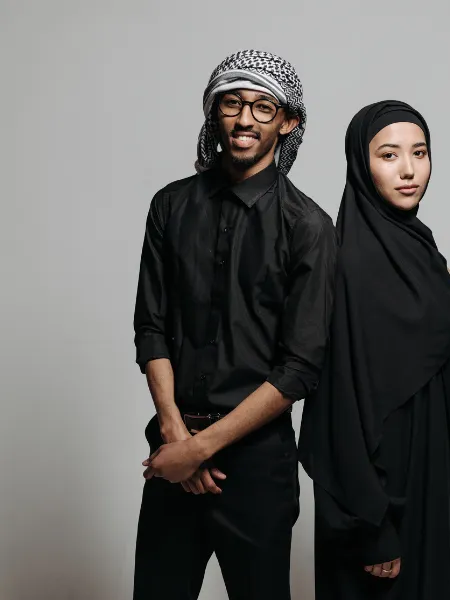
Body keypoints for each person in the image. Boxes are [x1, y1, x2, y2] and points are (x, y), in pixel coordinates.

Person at [132, 49, 337, 600]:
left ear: (287, 122)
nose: (245, 119)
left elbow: (299, 368)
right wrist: (176, 435)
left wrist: (199, 450)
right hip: (172, 446)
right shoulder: (170, 206)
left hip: (256, 468)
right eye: (232, 103)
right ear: (214, 112)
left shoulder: (309, 226)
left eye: (263, 107)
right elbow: (151, 327)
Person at [299, 100, 450, 600]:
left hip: (435, 479)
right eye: (388, 155)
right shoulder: (345, 266)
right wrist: (372, 526)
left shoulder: (422, 252)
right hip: (380, 500)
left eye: (419, 153)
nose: (408, 170)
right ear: (361, 164)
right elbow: (338, 406)